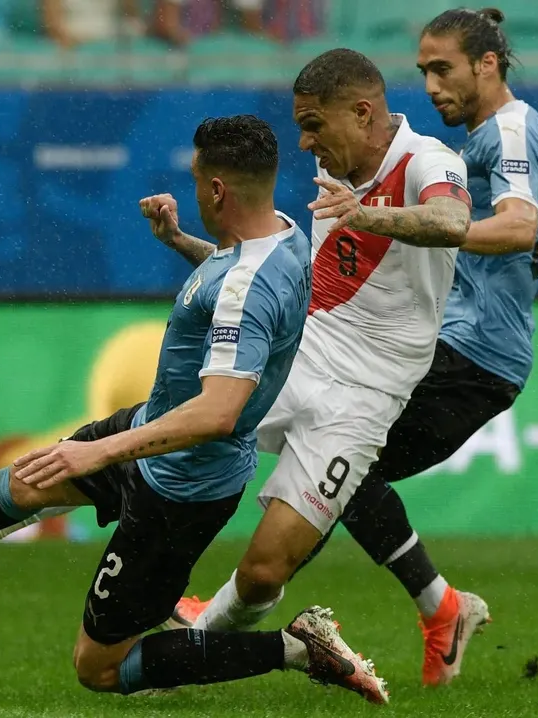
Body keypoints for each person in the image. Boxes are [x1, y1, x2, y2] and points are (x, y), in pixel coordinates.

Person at [0, 115, 390, 705]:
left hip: (181, 485)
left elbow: (218, 412)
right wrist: (179, 240)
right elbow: (234, 286)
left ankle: (299, 647)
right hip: (152, 429)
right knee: (29, 480)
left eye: (199, 180)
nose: (197, 190)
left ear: (219, 189)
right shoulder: (282, 235)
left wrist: (97, 451)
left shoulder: (248, 283)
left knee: (100, 669)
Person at [178, 8, 538, 688]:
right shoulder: (528, 128)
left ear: (488, 64)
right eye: (424, 70)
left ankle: (242, 613)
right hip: (465, 342)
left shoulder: (507, 134)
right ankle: (426, 607)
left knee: (342, 462)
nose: (430, 85)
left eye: (444, 69)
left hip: (471, 345)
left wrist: (417, 225)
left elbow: (516, 228)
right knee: (340, 470)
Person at [148, 45, 473, 670]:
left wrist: (369, 216)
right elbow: (270, 279)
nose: (302, 143)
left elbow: (452, 219)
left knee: (267, 568)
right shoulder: (337, 181)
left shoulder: (430, 160)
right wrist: (182, 241)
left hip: (366, 397)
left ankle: (194, 647)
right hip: (300, 361)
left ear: (361, 111)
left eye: (313, 124)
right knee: (157, 433)